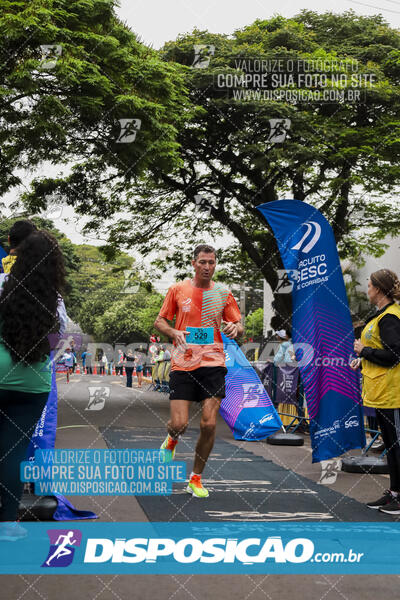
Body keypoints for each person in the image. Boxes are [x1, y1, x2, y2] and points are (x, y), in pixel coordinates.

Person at [155, 244, 243, 498]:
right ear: (193, 263)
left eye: (211, 262)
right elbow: (160, 320)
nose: (207, 267)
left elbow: (238, 325)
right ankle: (171, 439)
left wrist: (235, 330)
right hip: (183, 363)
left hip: (213, 363)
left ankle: (195, 478)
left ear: (215, 265)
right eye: (202, 262)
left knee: (208, 423)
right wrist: (173, 332)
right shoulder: (177, 290)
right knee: (179, 423)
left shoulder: (223, 293)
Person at [0, 230, 65, 537]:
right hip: (33, 381)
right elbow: (60, 340)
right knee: (12, 452)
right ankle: (8, 524)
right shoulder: (55, 298)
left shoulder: (2, 284)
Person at [351, 269, 400, 514]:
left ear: (379, 289)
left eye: (369, 285)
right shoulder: (381, 316)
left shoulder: (390, 317)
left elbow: (394, 355)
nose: (367, 289)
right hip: (381, 393)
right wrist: (364, 360)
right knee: (391, 446)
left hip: (394, 394)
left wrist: (364, 352)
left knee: (397, 445)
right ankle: (394, 493)